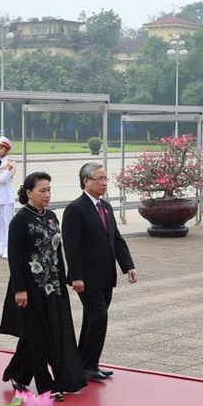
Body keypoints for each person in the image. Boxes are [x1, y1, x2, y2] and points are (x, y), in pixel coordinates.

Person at [0, 172, 85, 399]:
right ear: (29, 193)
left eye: (49, 190)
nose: (47, 195)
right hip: (31, 287)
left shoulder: (52, 217)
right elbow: (14, 257)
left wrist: (65, 278)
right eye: (42, 191)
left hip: (53, 286)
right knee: (38, 336)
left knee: (50, 332)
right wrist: (19, 289)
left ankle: (17, 373)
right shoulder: (20, 220)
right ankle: (48, 386)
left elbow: (58, 251)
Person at [62, 162, 136, 381]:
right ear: (86, 181)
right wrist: (76, 276)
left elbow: (116, 238)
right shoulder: (75, 209)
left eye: (105, 179)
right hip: (86, 277)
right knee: (99, 318)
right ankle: (88, 365)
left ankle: (84, 363)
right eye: (99, 179)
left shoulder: (105, 206)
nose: (104, 183)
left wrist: (128, 266)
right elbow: (71, 246)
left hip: (106, 275)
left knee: (92, 319)